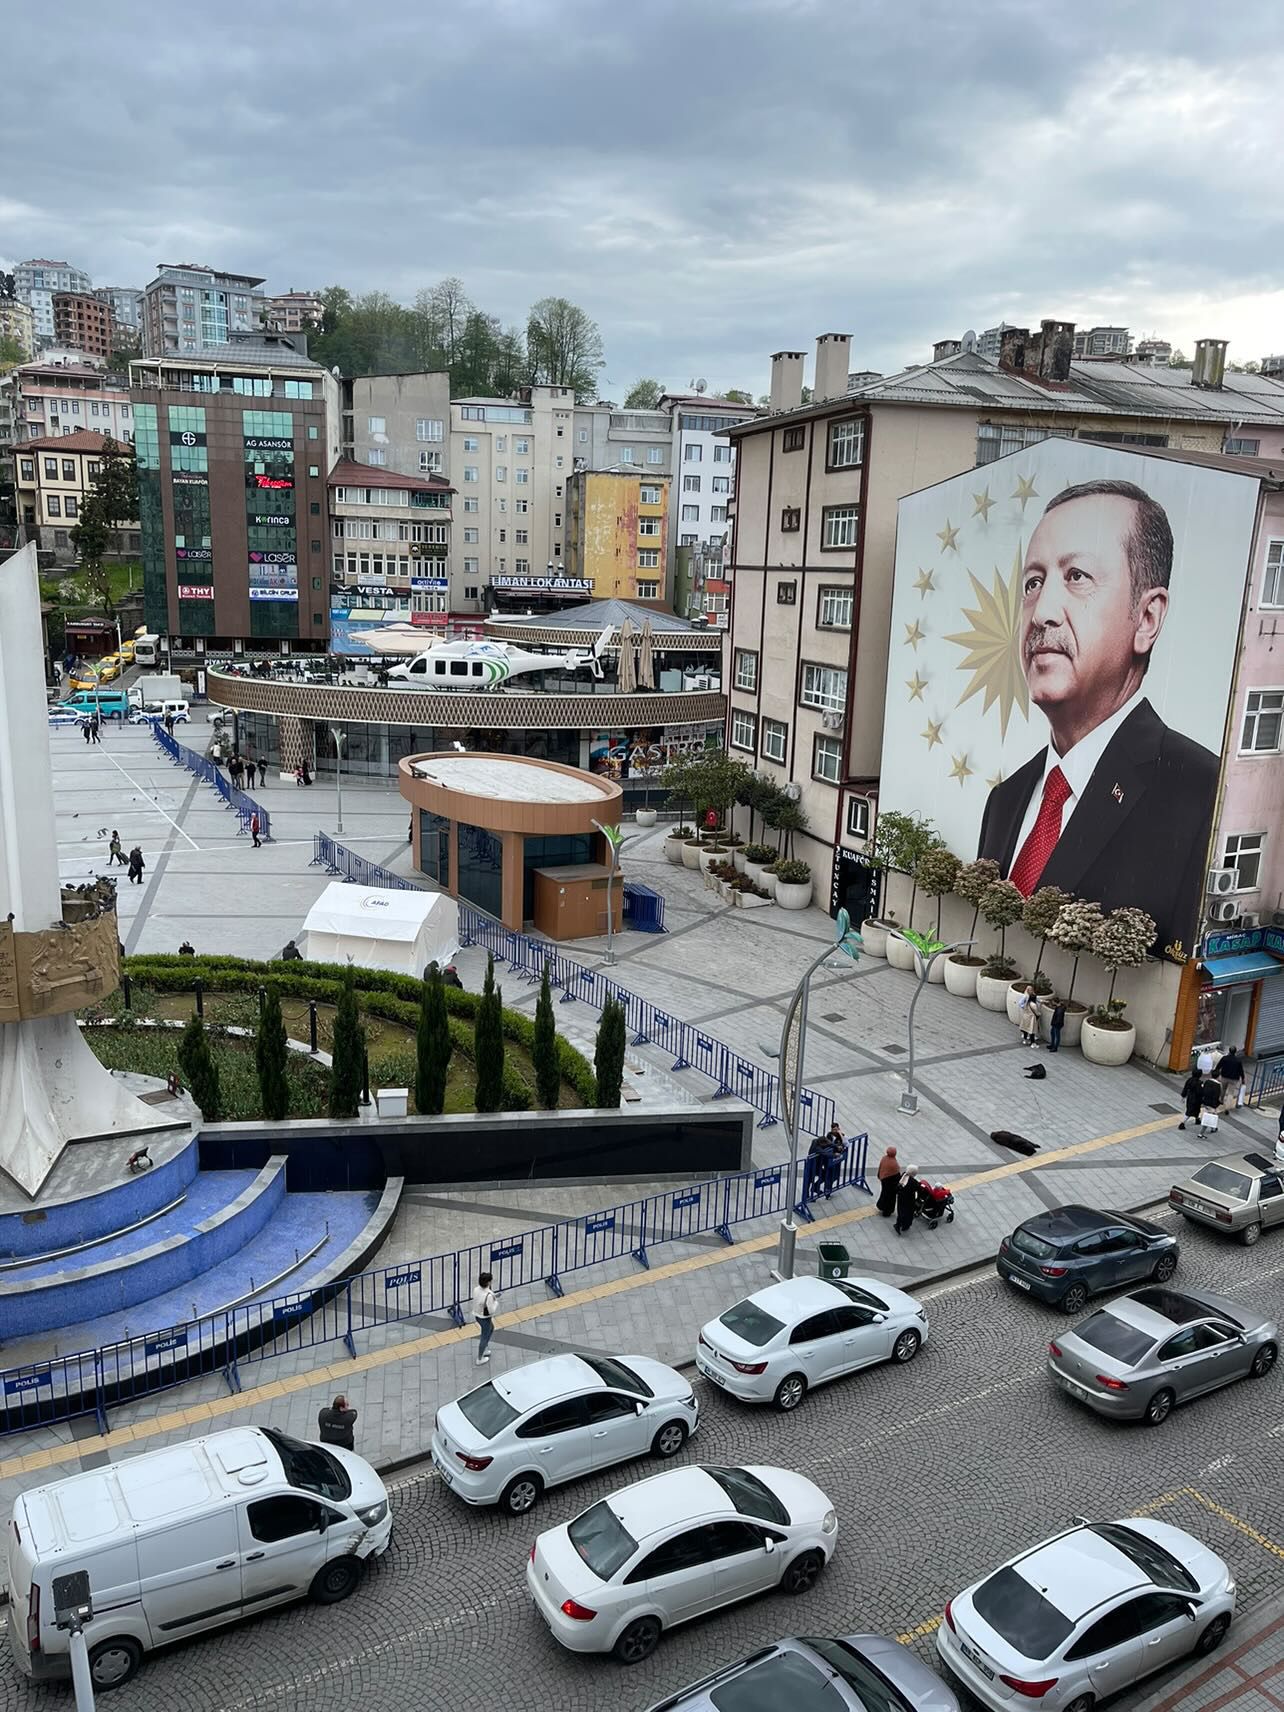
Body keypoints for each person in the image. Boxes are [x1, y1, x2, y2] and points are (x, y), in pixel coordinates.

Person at [976, 480, 1218, 955]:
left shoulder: (1200, 796)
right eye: (1033, 583)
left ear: (1147, 619)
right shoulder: (1005, 802)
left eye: (1077, 577)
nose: (1042, 611)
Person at [472, 1271, 499, 1363]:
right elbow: (491, 1310)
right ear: (488, 1282)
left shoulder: (476, 1289)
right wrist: (496, 1302)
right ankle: (480, 1358)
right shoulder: (489, 1296)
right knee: (485, 1335)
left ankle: (485, 1348)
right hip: (485, 1318)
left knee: (491, 1328)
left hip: (477, 1314)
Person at [1215, 1046, 1244, 1114]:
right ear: (1235, 1052)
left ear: (1229, 1051)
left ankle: (1221, 1100)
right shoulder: (1238, 1061)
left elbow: (1218, 1066)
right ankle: (1227, 1107)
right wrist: (1243, 1078)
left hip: (1224, 1077)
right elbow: (1241, 1071)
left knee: (1223, 1089)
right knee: (1231, 1093)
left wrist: (1216, 1072)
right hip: (1234, 1079)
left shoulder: (1225, 1058)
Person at [803, 1133, 831, 1202]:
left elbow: (829, 1144)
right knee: (809, 1180)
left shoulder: (819, 1142)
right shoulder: (816, 1146)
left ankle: (815, 1187)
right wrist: (835, 1155)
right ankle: (806, 1196)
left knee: (824, 1175)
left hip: (817, 1165)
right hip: (811, 1166)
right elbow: (825, 1153)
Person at [822, 1121, 847, 1197]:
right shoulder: (828, 1136)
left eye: (837, 1129)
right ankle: (827, 1191)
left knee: (835, 1175)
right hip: (829, 1159)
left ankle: (828, 1188)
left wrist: (840, 1134)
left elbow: (846, 1143)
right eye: (834, 1130)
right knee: (828, 1175)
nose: (835, 1131)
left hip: (837, 1160)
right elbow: (828, 1146)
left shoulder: (841, 1136)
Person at [876, 1145, 901, 1217]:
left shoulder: (884, 1158)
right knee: (890, 1197)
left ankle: (881, 1206)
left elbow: (880, 1167)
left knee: (884, 1193)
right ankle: (887, 1211)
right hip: (891, 1183)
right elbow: (897, 1175)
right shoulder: (894, 1164)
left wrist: (879, 1175)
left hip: (883, 1180)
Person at [894, 1168, 918, 1238]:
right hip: (909, 1200)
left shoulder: (904, 1175)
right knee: (908, 1212)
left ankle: (898, 1224)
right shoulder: (913, 1182)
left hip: (901, 1198)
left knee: (901, 1211)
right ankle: (905, 1225)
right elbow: (917, 1187)